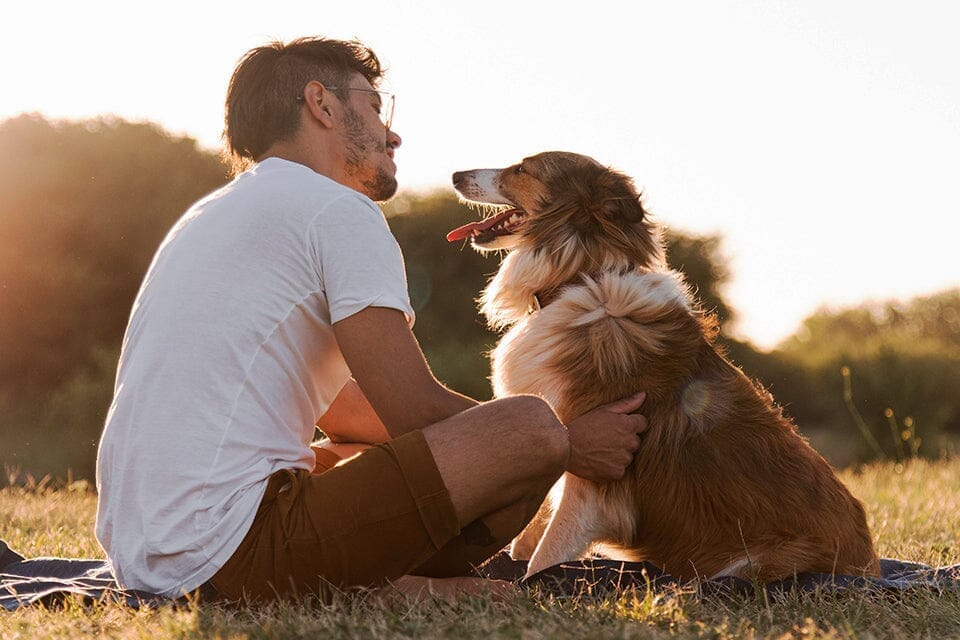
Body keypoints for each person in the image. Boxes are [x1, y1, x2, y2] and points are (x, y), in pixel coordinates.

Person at [94, 36, 648, 603]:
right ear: (323, 105)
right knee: (526, 426)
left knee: (350, 454)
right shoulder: (337, 211)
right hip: (227, 556)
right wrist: (564, 444)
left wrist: (492, 445)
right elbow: (412, 408)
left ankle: (352, 579)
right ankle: (378, 590)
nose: (393, 134)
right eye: (376, 108)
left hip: (144, 553)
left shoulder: (213, 213)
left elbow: (343, 408)